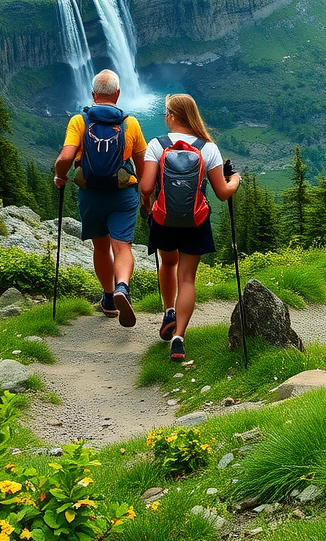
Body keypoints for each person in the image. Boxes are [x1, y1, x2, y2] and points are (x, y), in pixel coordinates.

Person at [140, 93, 241, 362]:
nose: (165, 117)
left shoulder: (156, 145)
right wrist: (236, 180)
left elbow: (147, 187)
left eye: (166, 113)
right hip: (195, 220)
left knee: (168, 263)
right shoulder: (208, 148)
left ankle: (169, 311)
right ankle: (179, 338)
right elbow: (222, 192)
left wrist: (147, 203)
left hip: (163, 219)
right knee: (187, 278)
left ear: (173, 117)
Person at [54, 69, 147, 328]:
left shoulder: (79, 121)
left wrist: (60, 177)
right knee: (123, 246)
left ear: (93, 94)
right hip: (123, 194)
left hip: (91, 194)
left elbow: (64, 158)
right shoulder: (132, 124)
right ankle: (122, 287)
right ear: (117, 94)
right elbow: (142, 165)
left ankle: (108, 298)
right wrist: (148, 198)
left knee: (101, 246)